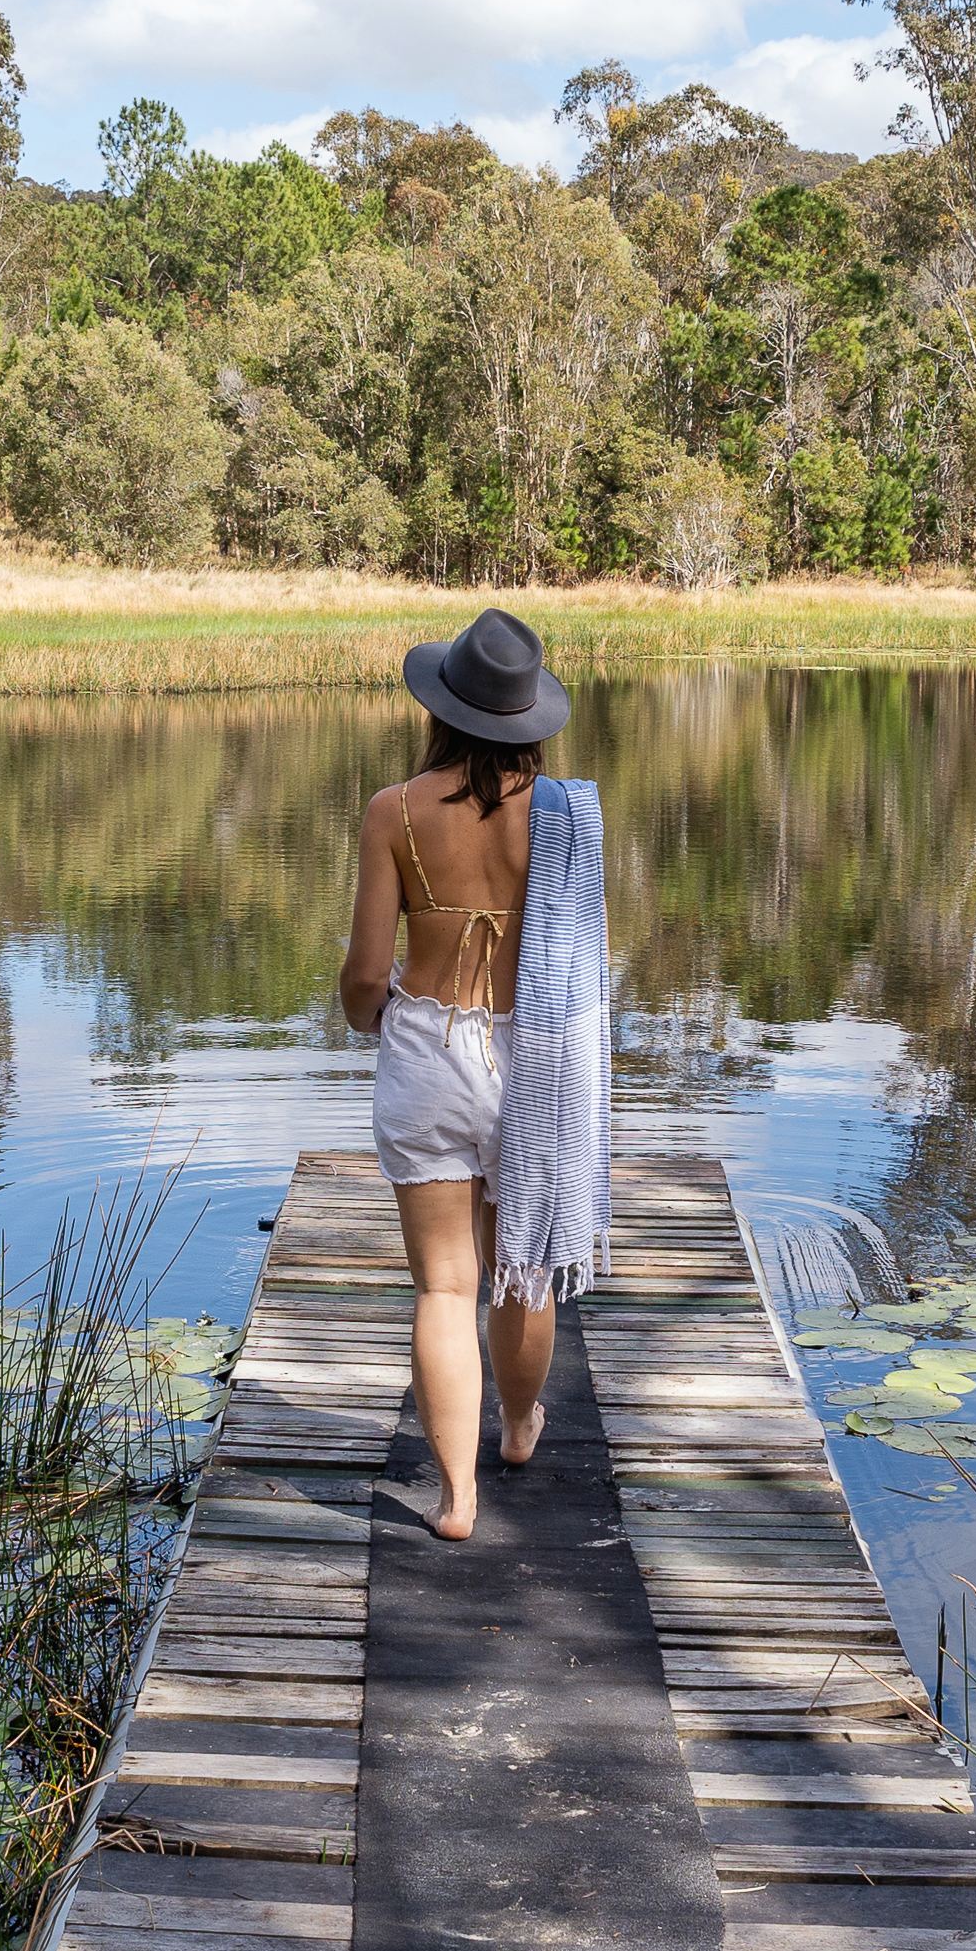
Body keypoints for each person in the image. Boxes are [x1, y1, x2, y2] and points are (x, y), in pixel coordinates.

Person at [338, 606, 580, 1542]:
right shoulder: (565, 816)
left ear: (443, 707)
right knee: (520, 1270)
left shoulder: (393, 811)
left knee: (445, 1285)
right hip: (532, 1053)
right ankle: (519, 1429)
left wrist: (372, 1021)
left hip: (430, 1049)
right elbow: (578, 958)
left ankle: (457, 1497)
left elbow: (366, 974)